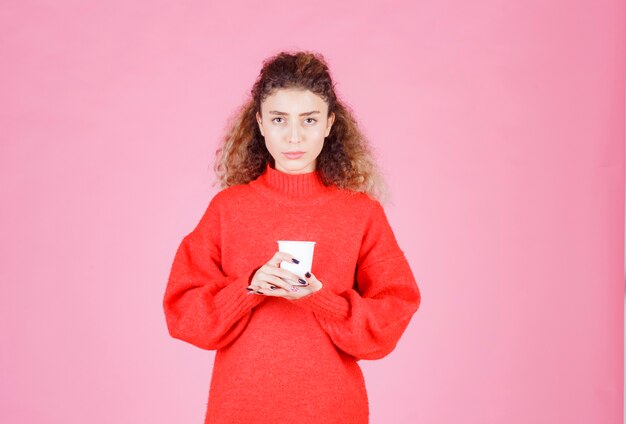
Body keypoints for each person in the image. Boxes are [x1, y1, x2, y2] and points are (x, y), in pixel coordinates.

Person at [162, 50, 421, 424]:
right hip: (240, 409)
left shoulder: (361, 213)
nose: (294, 135)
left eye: (310, 119)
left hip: (333, 410)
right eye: (279, 119)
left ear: (330, 124)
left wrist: (321, 299)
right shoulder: (228, 209)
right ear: (260, 124)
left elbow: (391, 314)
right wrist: (249, 288)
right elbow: (183, 314)